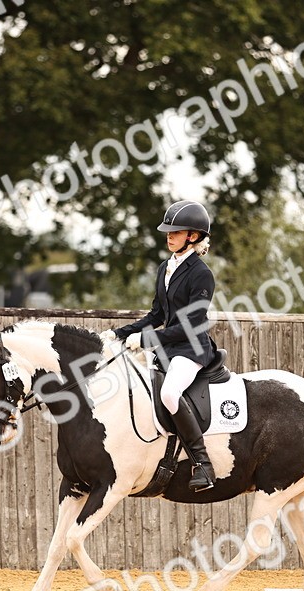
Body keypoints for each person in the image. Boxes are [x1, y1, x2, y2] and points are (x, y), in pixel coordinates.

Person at [105, 200, 219, 491]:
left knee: (169, 393)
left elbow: (191, 325)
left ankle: (202, 463)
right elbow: (157, 315)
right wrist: (119, 333)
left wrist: (146, 340)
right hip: (167, 349)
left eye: (175, 232)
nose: (169, 236)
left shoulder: (201, 274)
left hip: (191, 349)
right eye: (168, 231)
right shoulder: (165, 268)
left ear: (192, 236)